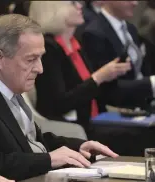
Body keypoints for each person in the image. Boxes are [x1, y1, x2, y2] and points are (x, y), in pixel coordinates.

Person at [0, 14, 119, 182]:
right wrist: (47, 160)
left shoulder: (6, 86)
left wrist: (78, 146)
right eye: (31, 59)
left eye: (40, 58)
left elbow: (30, 142)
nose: (40, 68)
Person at [29, 1, 131, 132]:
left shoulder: (75, 43)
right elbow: (58, 104)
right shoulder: (48, 49)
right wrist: (99, 77)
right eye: (72, 3)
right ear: (54, 10)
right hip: (70, 129)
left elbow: (91, 90)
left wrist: (110, 74)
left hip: (94, 121)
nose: (80, 6)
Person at [82, 1, 155, 107]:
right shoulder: (94, 33)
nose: (135, 3)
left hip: (144, 101)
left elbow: (142, 70)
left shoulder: (131, 29)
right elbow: (106, 88)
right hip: (120, 108)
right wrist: (151, 83)